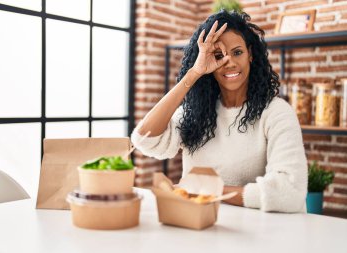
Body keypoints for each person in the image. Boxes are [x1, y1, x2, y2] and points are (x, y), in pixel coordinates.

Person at [131, 10, 307, 213]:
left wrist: (210, 191)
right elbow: (144, 140)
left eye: (237, 52)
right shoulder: (198, 111)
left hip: (259, 232)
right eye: (218, 55)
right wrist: (194, 73)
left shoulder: (276, 112)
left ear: (250, 54)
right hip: (200, 224)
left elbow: (289, 192)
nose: (229, 62)